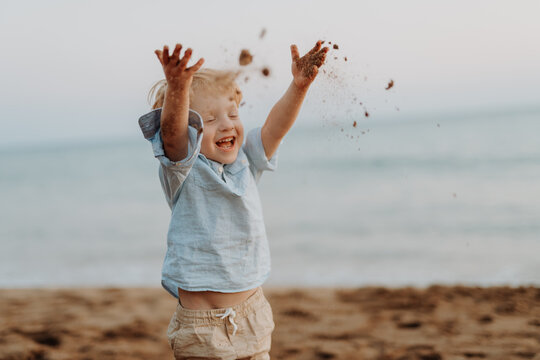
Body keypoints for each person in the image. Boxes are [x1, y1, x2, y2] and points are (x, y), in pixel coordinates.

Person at [139, 41, 328, 359]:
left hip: (252, 315)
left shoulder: (246, 160)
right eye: (209, 120)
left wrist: (298, 86)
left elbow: (275, 129)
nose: (227, 124)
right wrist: (177, 88)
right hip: (202, 327)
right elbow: (172, 135)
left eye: (233, 114)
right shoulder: (183, 167)